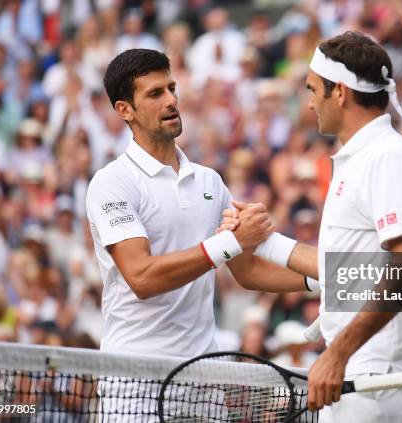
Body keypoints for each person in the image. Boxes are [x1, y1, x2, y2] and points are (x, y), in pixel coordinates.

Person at [223, 31, 402, 422]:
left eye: (313, 90)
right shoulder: (361, 158)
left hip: (381, 376)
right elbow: (340, 269)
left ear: (339, 92)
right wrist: (261, 241)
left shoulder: (387, 155)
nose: (309, 103)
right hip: (365, 375)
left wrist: (338, 351)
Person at [85, 48, 309, 420]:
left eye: (171, 88)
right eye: (155, 93)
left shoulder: (210, 181)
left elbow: (248, 271)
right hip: (135, 382)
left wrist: (322, 282)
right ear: (125, 109)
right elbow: (141, 277)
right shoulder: (112, 183)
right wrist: (230, 241)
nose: (172, 100)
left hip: (203, 380)